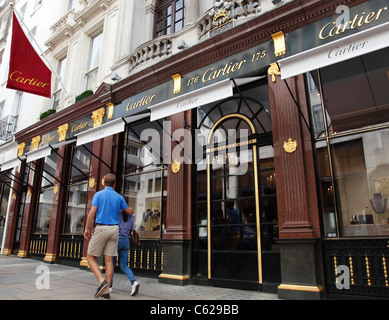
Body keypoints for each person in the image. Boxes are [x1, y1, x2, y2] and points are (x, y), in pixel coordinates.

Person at [84, 174, 133, 299]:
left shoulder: (99, 195)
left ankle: (102, 282)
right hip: (114, 230)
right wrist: (130, 209)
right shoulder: (118, 197)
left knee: (90, 257)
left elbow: (92, 212)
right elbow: (128, 212)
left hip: (101, 228)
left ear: (103, 183)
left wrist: (87, 228)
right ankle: (106, 292)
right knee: (109, 260)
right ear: (115, 184)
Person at [110, 209, 140, 296]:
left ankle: (109, 286)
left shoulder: (116, 212)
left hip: (116, 240)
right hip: (126, 241)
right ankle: (134, 282)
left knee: (111, 264)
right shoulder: (130, 214)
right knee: (124, 265)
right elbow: (131, 228)